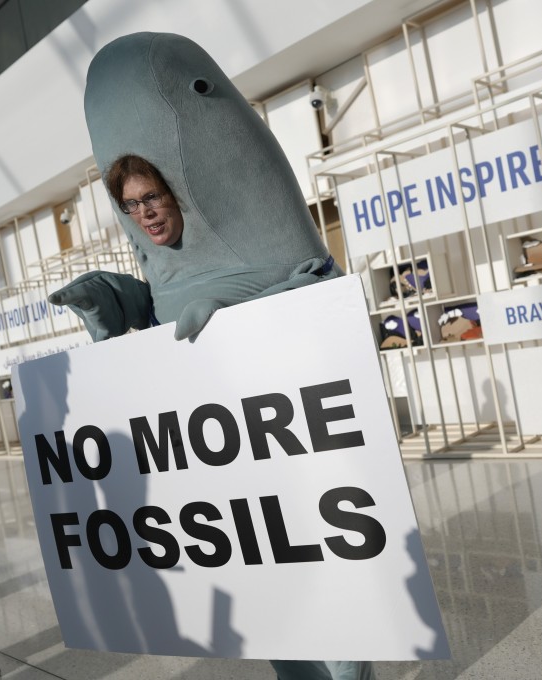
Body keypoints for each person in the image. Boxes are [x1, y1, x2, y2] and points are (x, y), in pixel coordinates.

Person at [62, 155, 377, 680]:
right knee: (277, 607)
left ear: (177, 195)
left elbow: (330, 304)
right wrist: (112, 304)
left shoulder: (249, 251)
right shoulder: (162, 273)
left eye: (153, 197)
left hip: (297, 460)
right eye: (132, 205)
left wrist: (245, 315)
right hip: (233, 476)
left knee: (333, 605)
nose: (146, 212)